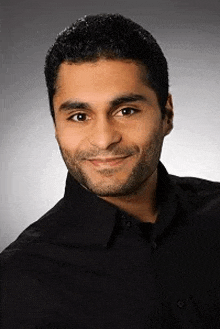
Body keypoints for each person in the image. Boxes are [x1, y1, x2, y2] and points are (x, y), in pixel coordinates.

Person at [1, 13, 220, 329]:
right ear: (55, 125)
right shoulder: (17, 282)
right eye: (79, 116)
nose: (104, 140)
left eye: (126, 111)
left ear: (167, 114)